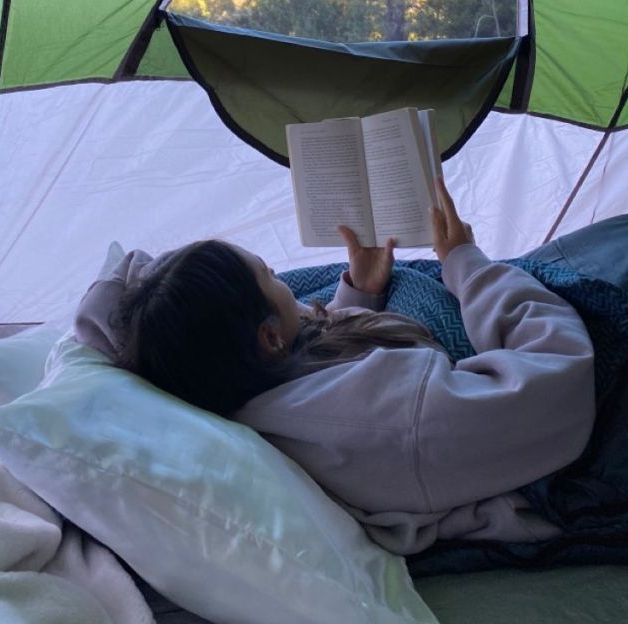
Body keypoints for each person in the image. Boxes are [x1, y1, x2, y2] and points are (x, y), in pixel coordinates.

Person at [75, 179, 595, 555]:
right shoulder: (397, 421)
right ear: (269, 338)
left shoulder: (213, 377)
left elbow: (319, 377)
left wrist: (360, 294)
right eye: (271, 276)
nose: (288, 285)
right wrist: (466, 262)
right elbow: (561, 374)